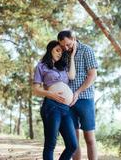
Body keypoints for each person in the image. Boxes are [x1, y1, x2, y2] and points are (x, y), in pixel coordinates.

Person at [33, 40, 78, 160]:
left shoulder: (62, 67)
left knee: (72, 145)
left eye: (61, 51)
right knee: (50, 144)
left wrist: (72, 56)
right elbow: (36, 90)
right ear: (50, 50)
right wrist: (50, 94)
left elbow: (72, 76)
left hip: (65, 109)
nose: (60, 53)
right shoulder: (41, 66)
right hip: (52, 106)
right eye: (57, 50)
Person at [58, 30, 98, 160]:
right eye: (63, 46)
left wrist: (78, 92)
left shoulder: (87, 50)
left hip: (85, 98)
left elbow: (92, 75)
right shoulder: (63, 54)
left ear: (74, 39)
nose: (66, 48)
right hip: (68, 102)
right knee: (73, 140)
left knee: (89, 137)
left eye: (68, 44)